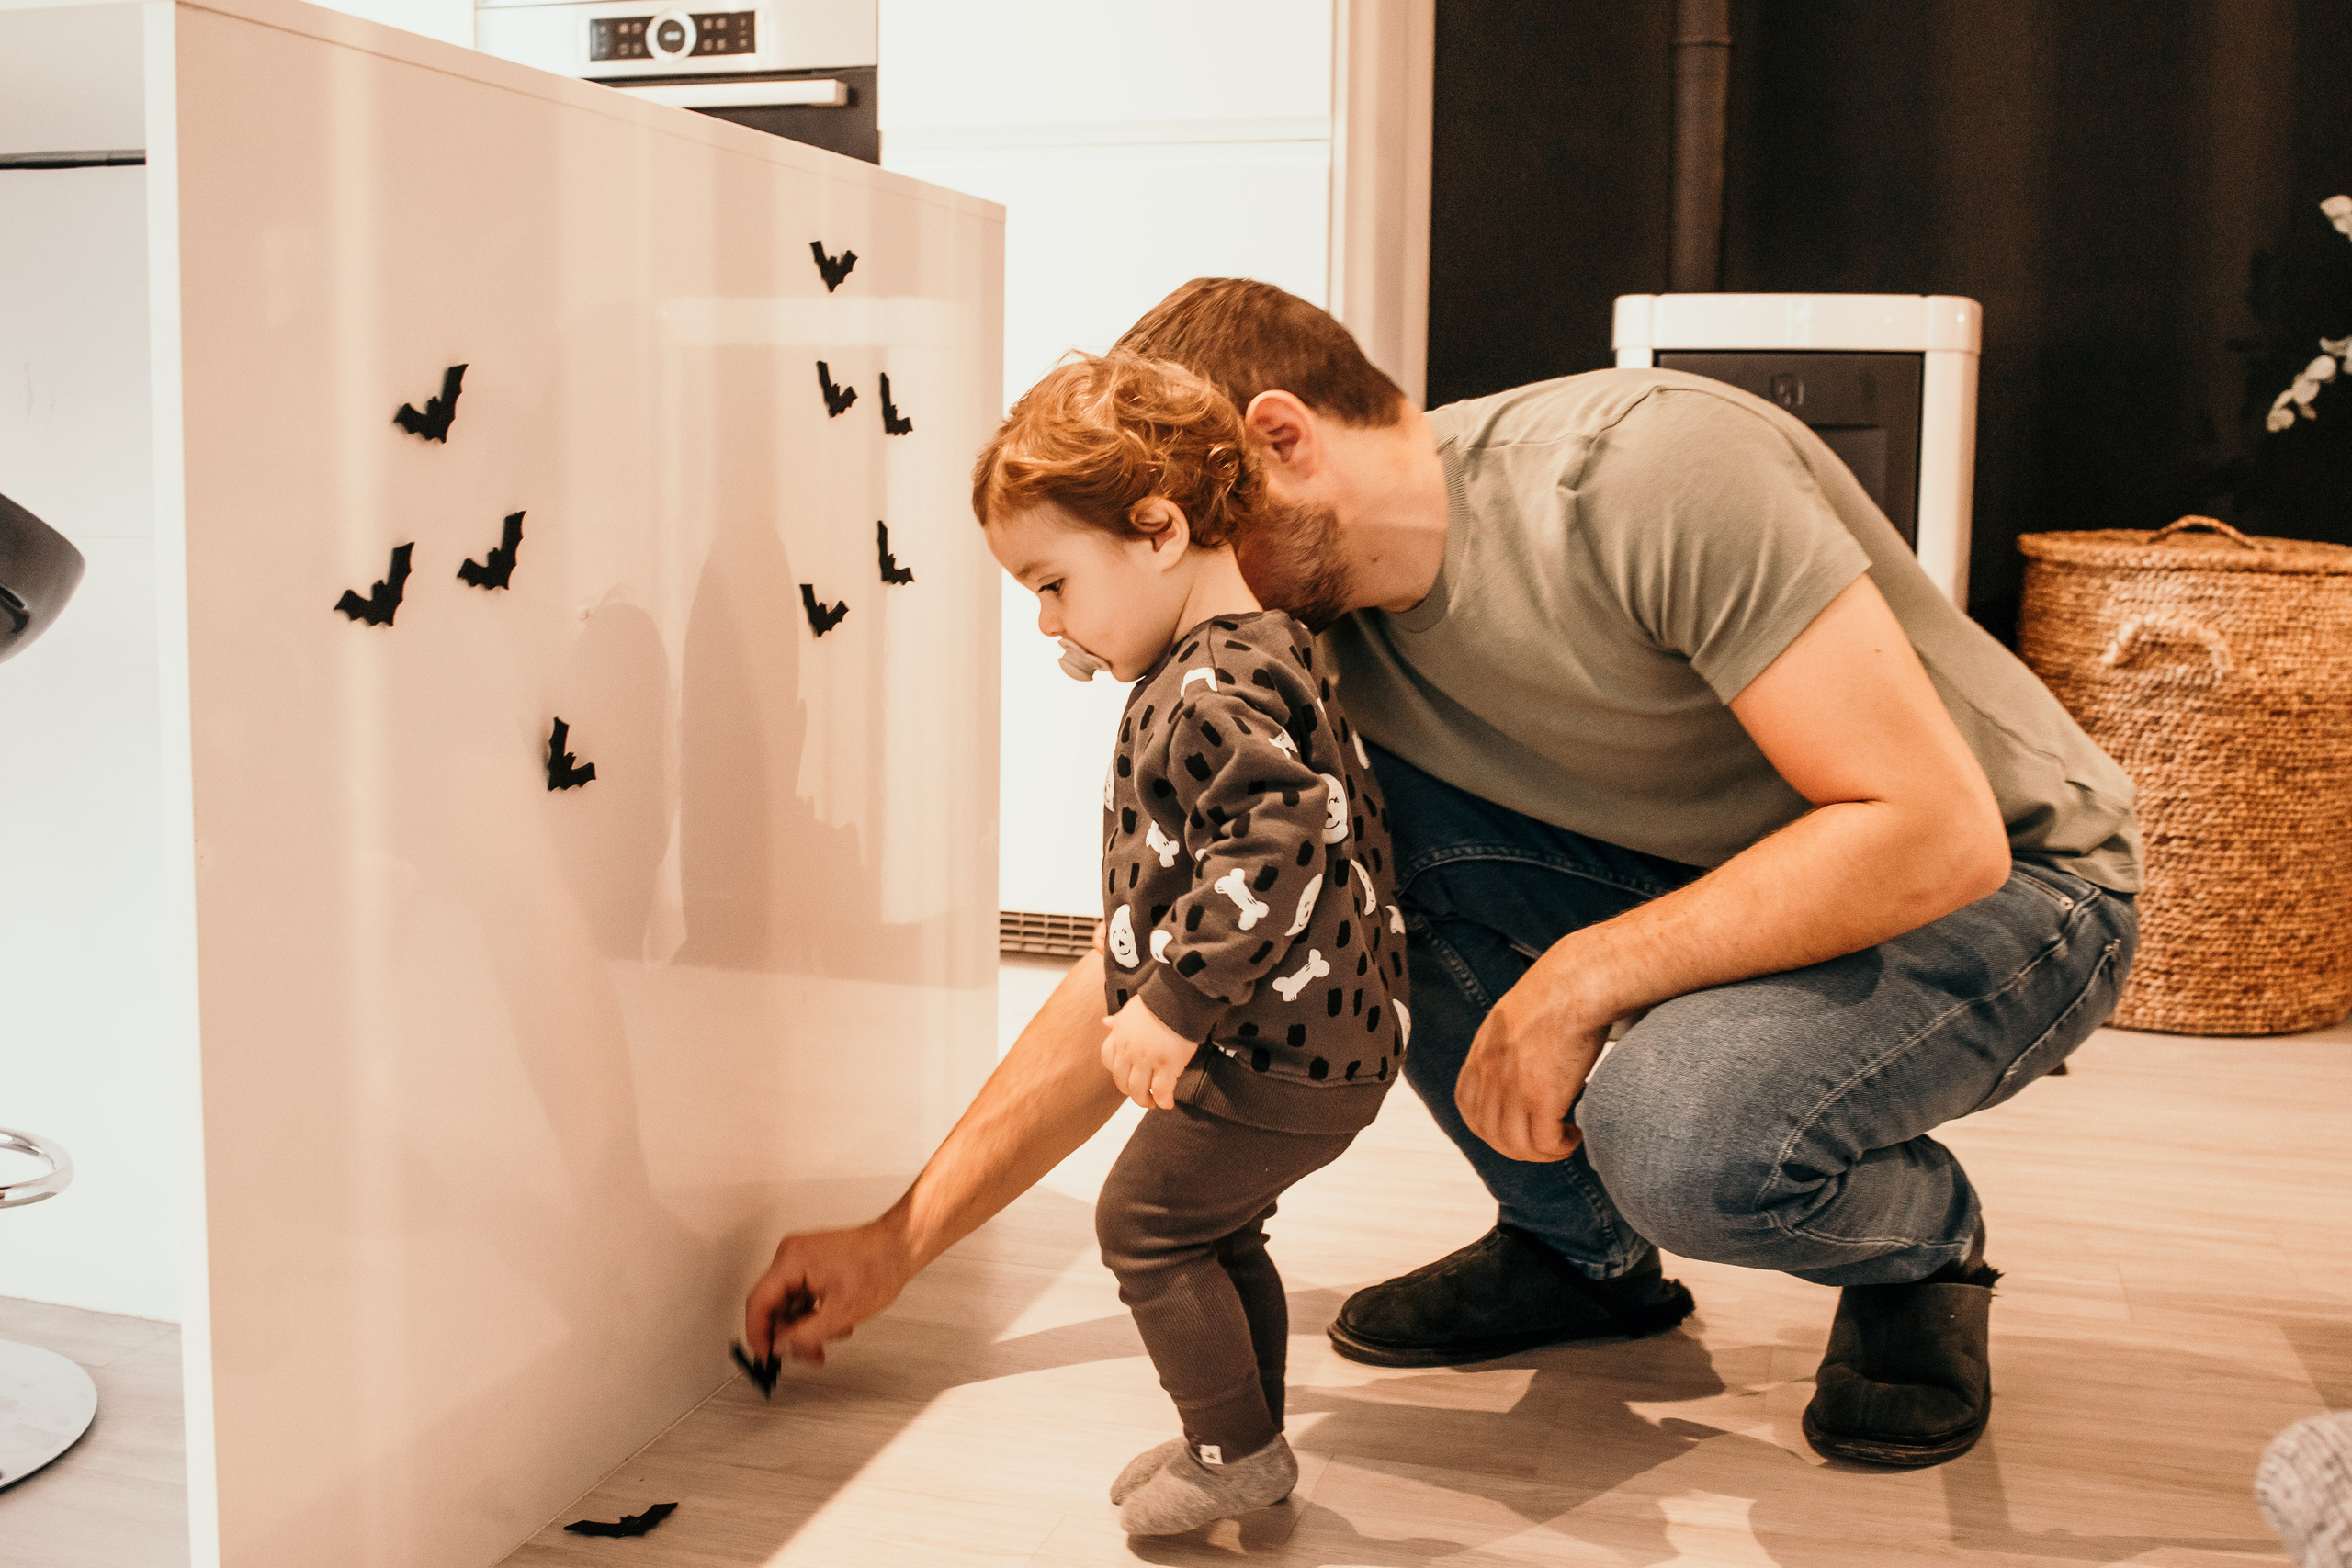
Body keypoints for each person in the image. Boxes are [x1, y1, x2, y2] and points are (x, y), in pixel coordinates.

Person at [746, 278, 2141, 1471]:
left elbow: (1931, 830)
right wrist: (901, 1237)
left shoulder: (1644, 475)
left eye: (1196, 514)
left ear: (1279, 440)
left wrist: (1580, 978)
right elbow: (1163, 954)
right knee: (1347, 857)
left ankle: (1919, 1249)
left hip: (2017, 884)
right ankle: (1575, 1253)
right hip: (1717, 872)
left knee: (1681, 1130)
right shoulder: (1300, 643)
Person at [971, 353, 1408, 1533]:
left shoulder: (1209, 681)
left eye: (1052, 582)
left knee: (1143, 1227)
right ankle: (1239, 1432)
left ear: (1156, 529)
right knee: (1216, 1227)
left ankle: (1231, 1455)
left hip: (1275, 1046)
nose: (1049, 621)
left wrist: (1171, 1004)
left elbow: (1278, 842)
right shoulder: (1259, 646)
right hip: (1322, 1038)